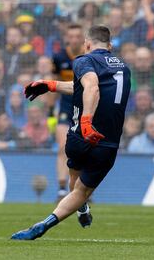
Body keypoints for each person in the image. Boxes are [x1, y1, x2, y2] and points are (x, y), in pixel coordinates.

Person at [10, 25, 131, 240]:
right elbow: (89, 87)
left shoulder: (83, 60)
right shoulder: (123, 67)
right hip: (107, 144)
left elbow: (91, 87)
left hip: (80, 136)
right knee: (81, 191)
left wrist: (86, 122)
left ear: (87, 45)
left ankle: (80, 208)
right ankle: (47, 223)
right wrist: (51, 85)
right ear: (110, 46)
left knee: (74, 179)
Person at [52, 23, 84, 199]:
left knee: (84, 150)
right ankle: (62, 188)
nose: (74, 40)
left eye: (77, 36)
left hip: (85, 109)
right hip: (65, 108)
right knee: (63, 147)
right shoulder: (59, 57)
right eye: (70, 37)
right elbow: (55, 82)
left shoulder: (89, 57)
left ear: (82, 38)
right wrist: (51, 111)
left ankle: (81, 188)